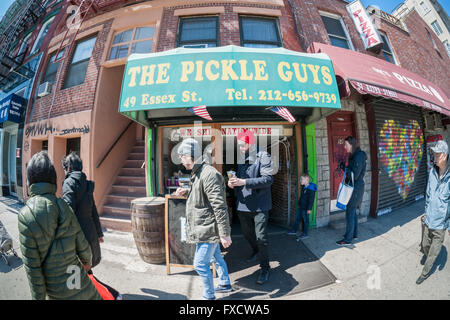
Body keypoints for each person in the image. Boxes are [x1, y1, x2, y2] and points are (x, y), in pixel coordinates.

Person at [18, 151, 101, 300]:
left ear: (29, 181)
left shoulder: (25, 216)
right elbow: (84, 249)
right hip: (75, 274)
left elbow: (33, 270)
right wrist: (87, 263)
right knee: (76, 291)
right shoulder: (65, 205)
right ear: (53, 179)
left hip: (54, 287)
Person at [174, 138, 233, 300]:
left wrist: (224, 233)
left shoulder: (209, 174)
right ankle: (225, 282)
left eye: (183, 155)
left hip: (208, 229)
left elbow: (219, 206)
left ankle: (209, 296)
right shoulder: (197, 172)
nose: (180, 159)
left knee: (200, 264)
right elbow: (202, 197)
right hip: (204, 227)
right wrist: (185, 192)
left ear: (192, 155)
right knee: (216, 257)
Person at [228, 130, 274, 285]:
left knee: (261, 238)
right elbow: (240, 180)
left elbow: (268, 179)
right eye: (239, 145)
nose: (240, 148)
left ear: (251, 143)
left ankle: (265, 268)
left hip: (260, 205)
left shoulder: (264, 156)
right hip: (243, 205)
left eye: (243, 145)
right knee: (247, 234)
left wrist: (244, 182)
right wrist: (233, 183)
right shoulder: (242, 159)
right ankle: (256, 251)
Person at [62, 152, 103, 268]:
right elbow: (93, 209)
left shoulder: (69, 183)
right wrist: (99, 233)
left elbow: (68, 212)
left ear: (68, 167)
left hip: (78, 236)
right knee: (88, 267)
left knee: (76, 276)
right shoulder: (86, 182)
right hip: (90, 232)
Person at [416, 140, 450, 285]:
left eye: (437, 154)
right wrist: (425, 212)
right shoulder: (432, 172)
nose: (434, 157)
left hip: (441, 224)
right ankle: (428, 253)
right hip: (429, 219)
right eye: (434, 154)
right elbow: (428, 195)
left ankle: (424, 274)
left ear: (445, 156)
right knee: (424, 245)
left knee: (433, 254)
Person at [336, 136, 367, 246]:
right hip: (355, 188)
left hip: (356, 188)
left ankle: (348, 240)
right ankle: (354, 234)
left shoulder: (358, 156)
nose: (344, 147)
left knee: (350, 212)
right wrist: (345, 166)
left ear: (351, 145)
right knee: (352, 211)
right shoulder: (354, 155)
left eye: (346, 145)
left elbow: (355, 175)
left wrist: (344, 168)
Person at [288, 173, 317, 241]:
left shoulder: (311, 189)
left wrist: (309, 209)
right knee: (297, 219)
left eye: (302, 179)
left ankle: (305, 234)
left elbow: (311, 200)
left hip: (306, 208)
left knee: (306, 221)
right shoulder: (304, 187)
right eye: (300, 179)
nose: (300, 180)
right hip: (301, 206)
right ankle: (294, 230)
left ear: (307, 179)